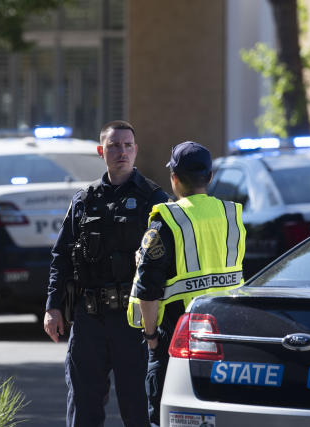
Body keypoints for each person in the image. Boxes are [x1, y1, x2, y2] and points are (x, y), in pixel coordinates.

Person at [44, 120, 170, 427]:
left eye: (128, 146)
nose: (122, 152)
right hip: (89, 321)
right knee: (83, 411)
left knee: (139, 410)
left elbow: (167, 264)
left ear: (136, 150)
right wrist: (53, 306)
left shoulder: (154, 199)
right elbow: (61, 256)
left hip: (135, 321)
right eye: (114, 146)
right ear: (102, 151)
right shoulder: (84, 200)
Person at [127, 141, 246, 426]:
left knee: (169, 417)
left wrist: (151, 336)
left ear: (175, 178)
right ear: (210, 177)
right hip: (225, 338)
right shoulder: (232, 216)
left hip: (177, 343)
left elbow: (148, 289)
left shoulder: (168, 220)